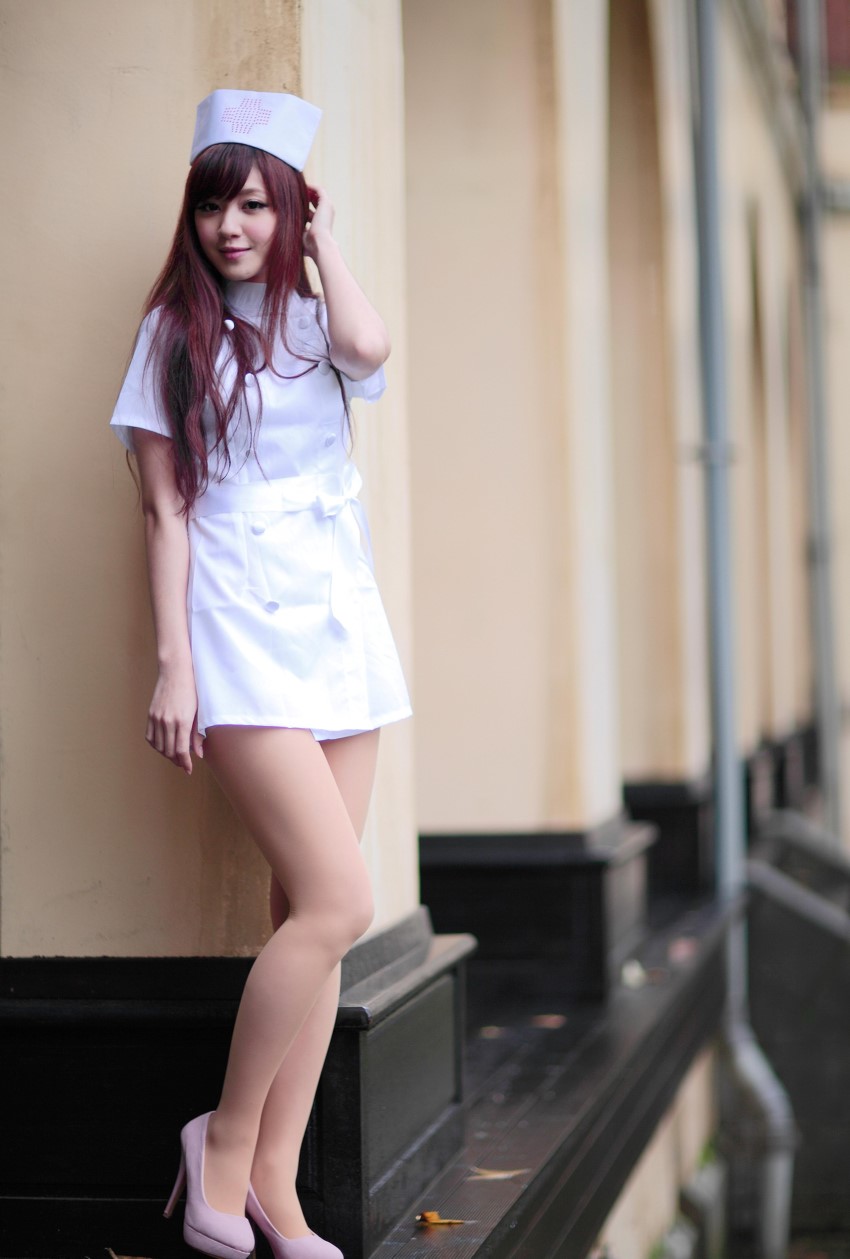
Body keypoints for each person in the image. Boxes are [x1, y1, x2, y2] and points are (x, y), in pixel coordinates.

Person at [109, 89, 411, 1259]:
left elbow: (372, 347)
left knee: (307, 916)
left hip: (340, 626)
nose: (229, 227)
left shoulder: (316, 321)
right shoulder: (170, 336)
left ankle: (276, 1184)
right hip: (236, 626)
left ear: (291, 209)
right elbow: (163, 513)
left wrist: (323, 244)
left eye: (253, 204)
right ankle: (223, 1141)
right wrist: (173, 666)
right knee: (340, 901)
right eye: (210, 205)